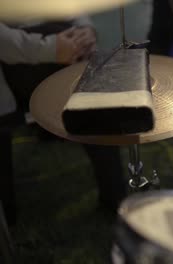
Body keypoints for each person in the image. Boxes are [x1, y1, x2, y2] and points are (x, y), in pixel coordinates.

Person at [0, 18, 127, 225]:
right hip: (17, 60)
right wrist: (51, 48)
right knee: (94, 101)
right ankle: (115, 197)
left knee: (94, 99)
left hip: (50, 45)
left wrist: (86, 28)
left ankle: (114, 197)